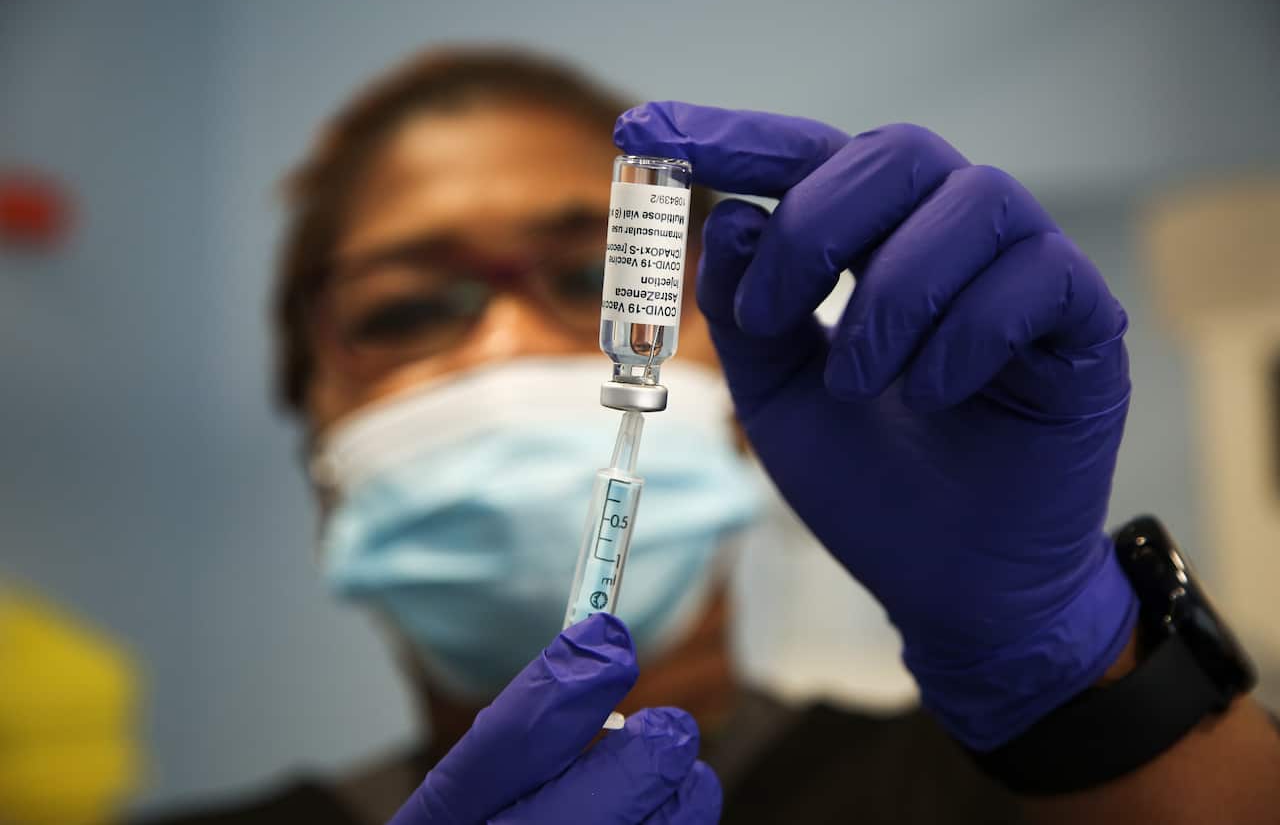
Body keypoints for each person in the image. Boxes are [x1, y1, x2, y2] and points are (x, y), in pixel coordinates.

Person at [143, 49, 1280, 825]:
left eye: (592, 274)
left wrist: (1072, 676)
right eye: (401, 308)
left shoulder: (1023, 801)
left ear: (737, 381)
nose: (502, 346)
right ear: (316, 441)